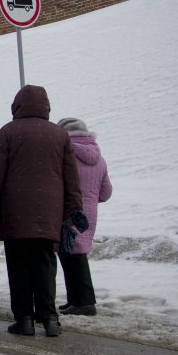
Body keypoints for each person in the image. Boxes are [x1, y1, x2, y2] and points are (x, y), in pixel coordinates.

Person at [0, 85, 84, 337]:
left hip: (15, 210)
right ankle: (50, 318)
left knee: (18, 265)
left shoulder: (8, 131)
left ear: (17, 105)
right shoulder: (59, 134)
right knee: (45, 264)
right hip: (49, 211)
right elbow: (71, 177)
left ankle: (25, 319)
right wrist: (73, 209)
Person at [56, 117, 113, 316]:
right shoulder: (100, 158)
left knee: (72, 255)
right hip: (89, 212)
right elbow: (106, 193)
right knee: (75, 254)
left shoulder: (64, 154)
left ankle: (85, 302)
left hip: (69, 210)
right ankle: (75, 300)